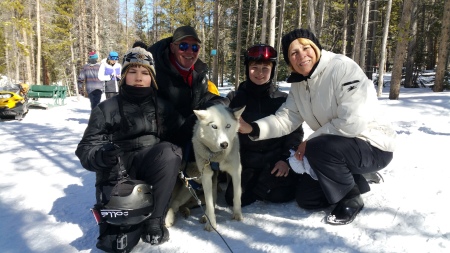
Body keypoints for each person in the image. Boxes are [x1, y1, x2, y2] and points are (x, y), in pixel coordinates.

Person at [239, 29, 397, 225]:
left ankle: (350, 198)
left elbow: (353, 121)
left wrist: (309, 142)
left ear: (315, 48)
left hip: (373, 145)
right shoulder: (299, 84)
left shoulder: (342, 67)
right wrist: (252, 129)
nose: (301, 55)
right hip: (334, 148)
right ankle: (356, 178)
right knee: (307, 199)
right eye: (293, 53)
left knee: (317, 147)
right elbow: (286, 118)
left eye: (305, 48)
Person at [75, 47, 184, 251]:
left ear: (152, 77)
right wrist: (100, 156)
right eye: (132, 72)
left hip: (150, 167)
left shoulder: (164, 107)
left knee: (171, 152)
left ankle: (155, 220)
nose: (138, 78)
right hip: (117, 171)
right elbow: (85, 149)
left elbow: (183, 134)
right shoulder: (105, 109)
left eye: (144, 73)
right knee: (117, 244)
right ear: (124, 75)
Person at [226, 44, 304, 207]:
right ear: (247, 68)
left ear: (272, 70)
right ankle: (256, 185)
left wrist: (285, 160)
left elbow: (295, 134)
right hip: (247, 163)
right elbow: (219, 108)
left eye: (265, 68)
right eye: (254, 67)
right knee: (234, 199)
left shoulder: (283, 99)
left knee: (281, 194)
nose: (260, 73)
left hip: (275, 161)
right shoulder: (234, 98)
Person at [148, 25, 228, 153]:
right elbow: (162, 116)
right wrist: (196, 121)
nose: (190, 51)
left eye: (194, 47)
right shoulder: (156, 73)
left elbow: (203, 98)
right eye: (183, 46)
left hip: (192, 137)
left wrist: (222, 103)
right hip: (164, 145)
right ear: (173, 47)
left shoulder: (198, 72)